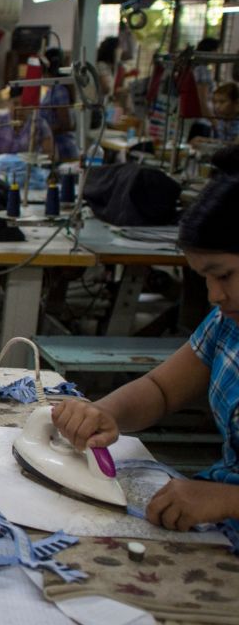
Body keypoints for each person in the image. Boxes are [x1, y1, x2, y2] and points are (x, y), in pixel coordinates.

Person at [53, 167, 239, 533]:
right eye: (205, 279)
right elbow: (161, 390)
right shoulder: (228, 324)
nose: (215, 295)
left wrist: (225, 499)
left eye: (224, 275)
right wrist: (104, 413)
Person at [0, 85, 54, 170]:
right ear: (8, 102)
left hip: (24, 175)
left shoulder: (39, 124)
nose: (19, 108)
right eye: (15, 103)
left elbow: (49, 154)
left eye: (24, 104)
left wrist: (34, 160)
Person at [39, 47, 78, 162]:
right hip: (54, 147)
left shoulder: (59, 90)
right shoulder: (52, 89)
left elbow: (66, 124)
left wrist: (42, 131)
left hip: (62, 150)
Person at [190, 82, 239, 146]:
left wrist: (207, 142)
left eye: (222, 102)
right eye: (215, 102)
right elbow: (221, 142)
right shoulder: (221, 121)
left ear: (236, 103)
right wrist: (204, 141)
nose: (217, 106)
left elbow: (235, 146)